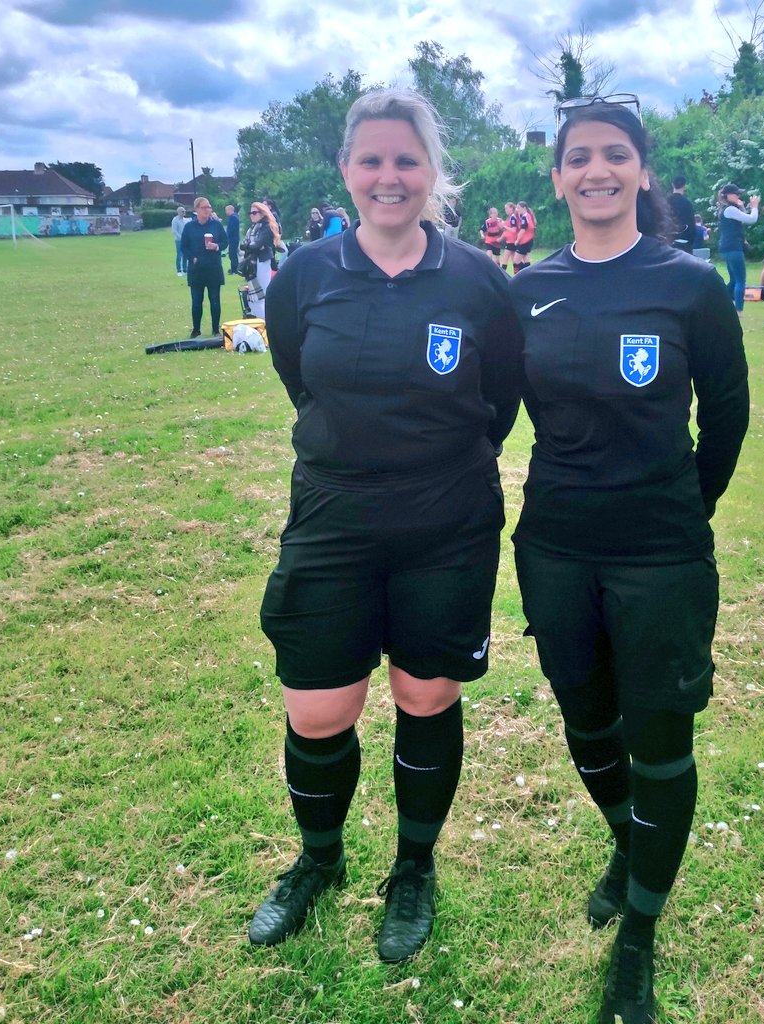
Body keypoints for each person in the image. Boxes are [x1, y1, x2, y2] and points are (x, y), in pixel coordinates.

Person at [250, 88, 522, 963]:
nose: (389, 177)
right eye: (371, 160)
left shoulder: (480, 279)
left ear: (431, 171)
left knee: (424, 696)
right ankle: (318, 860)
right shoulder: (305, 275)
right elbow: (302, 377)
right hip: (332, 517)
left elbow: (499, 403)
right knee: (319, 707)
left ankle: (413, 867)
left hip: (447, 521)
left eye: (406, 160)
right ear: (346, 172)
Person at [509, 96, 748, 1024]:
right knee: (586, 723)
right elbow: (496, 405)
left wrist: (686, 508)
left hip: (659, 551)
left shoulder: (688, 284)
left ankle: (639, 936)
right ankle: (629, 841)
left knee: (660, 741)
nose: (596, 170)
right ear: (559, 176)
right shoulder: (527, 287)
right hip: (556, 545)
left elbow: (723, 417)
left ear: (642, 171)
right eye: (579, 157)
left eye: (615, 154)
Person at [180, 197, 228, 338]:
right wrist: (192, 258)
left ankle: (215, 329)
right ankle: (196, 329)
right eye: (204, 207)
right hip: (197, 269)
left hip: (213, 268)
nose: (207, 210)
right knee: (196, 302)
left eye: (209, 207)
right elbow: (184, 246)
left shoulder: (216, 225)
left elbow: (225, 242)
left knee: (214, 300)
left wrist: (216, 246)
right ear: (197, 209)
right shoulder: (189, 227)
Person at [717, 184, 759, 315]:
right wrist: (754, 207)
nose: (738, 196)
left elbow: (742, 217)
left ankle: (720, 301)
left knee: (734, 280)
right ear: (728, 196)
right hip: (733, 248)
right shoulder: (730, 210)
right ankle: (739, 310)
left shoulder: (727, 209)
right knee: (741, 280)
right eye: (736, 194)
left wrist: (741, 206)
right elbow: (751, 219)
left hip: (728, 247)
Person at [239, 201, 280, 319]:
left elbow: (257, 244)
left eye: (254, 212)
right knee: (252, 296)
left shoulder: (266, 226)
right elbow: (245, 244)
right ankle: (257, 320)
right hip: (252, 264)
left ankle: (265, 322)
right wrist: (250, 245)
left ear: (262, 213)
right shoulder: (253, 228)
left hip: (262, 261)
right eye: (250, 213)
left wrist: (249, 245)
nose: (251, 215)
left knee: (261, 293)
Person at [667, 175, 695, 253]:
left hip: (668, 239)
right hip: (684, 240)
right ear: (684, 186)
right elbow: (691, 224)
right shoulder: (687, 203)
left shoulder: (665, 202)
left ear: (672, 185)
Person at [513, 201, 536, 272]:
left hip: (525, 241)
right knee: (526, 259)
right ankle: (528, 275)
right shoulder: (529, 215)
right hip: (529, 241)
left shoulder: (525, 217)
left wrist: (517, 240)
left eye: (518, 207)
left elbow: (523, 230)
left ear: (524, 208)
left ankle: (521, 275)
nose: (517, 209)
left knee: (516, 261)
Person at [501, 201, 519, 275]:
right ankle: (517, 275)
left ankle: (502, 275)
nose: (505, 210)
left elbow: (514, 230)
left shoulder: (512, 217)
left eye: (506, 208)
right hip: (511, 241)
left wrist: (504, 226)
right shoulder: (510, 217)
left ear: (511, 208)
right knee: (514, 260)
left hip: (511, 241)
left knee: (505, 259)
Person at [171, 206, 188, 277]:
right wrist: (181, 238)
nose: (184, 213)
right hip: (178, 240)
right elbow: (174, 231)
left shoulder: (185, 220)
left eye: (184, 211)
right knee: (179, 255)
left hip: (185, 240)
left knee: (185, 255)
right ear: (178, 212)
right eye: (182, 211)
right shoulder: (175, 220)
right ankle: (179, 270)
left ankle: (185, 269)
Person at [225, 204, 241, 275]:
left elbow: (231, 229)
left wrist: (227, 235)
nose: (226, 212)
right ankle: (235, 268)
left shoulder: (233, 218)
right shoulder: (234, 217)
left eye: (226, 210)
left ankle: (235, 269)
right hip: (234, 238)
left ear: (230, 210)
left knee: (232, 254)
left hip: (233, 239)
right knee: (233, 254)